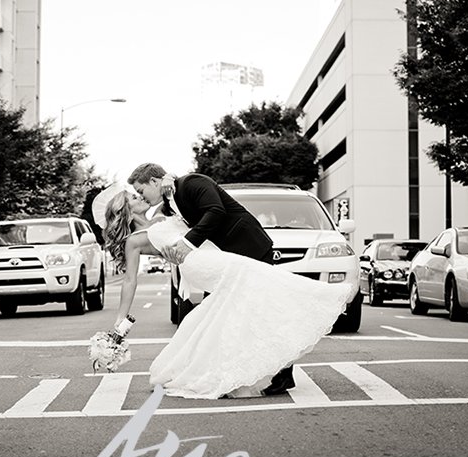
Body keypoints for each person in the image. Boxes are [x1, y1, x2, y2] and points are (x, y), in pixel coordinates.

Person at [100, 188, 353, 400]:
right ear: (125, 210)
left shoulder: (163, 216)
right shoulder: (133, 241)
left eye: (138, 192)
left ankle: (266, 367)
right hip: (203, 265)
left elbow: (188, 205)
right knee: (263, 283)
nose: (140, 196)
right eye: (133, 197)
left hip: (214, 256)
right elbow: (130, 280)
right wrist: (120, 320)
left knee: (233, 310)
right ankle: (322, 298)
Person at [128, 163, 292, 395]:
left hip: (251, 248)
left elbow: (215, 211)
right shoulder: (170, 201)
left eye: (141, 190)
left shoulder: (194, 183)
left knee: (262, 312)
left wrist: (187, 243)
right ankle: (222, 372)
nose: (140, 196)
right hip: (226, 260)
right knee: (219, 314)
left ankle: (284, 375)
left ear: (154, 182)